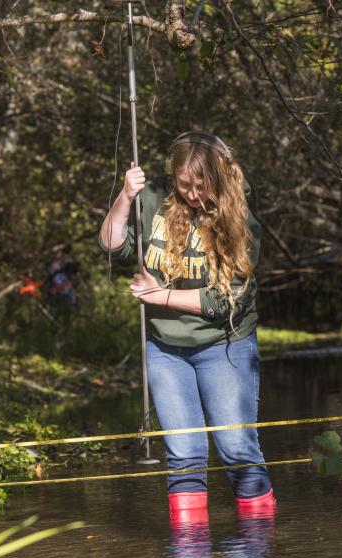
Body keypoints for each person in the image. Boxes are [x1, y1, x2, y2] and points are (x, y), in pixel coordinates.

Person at [99, 131, 275, 523]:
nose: (193, 194)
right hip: (166, 349)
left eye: (201, 186)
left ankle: (257, 548)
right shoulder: (155, 200)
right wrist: (126, 196)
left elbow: (222, 301)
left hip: (224, 344)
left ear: (219, 179)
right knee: (184, 454)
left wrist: (157, 295)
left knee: (237, 449)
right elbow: (113, 245)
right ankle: (191, 557)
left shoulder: (240, 218)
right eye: (184, 185)